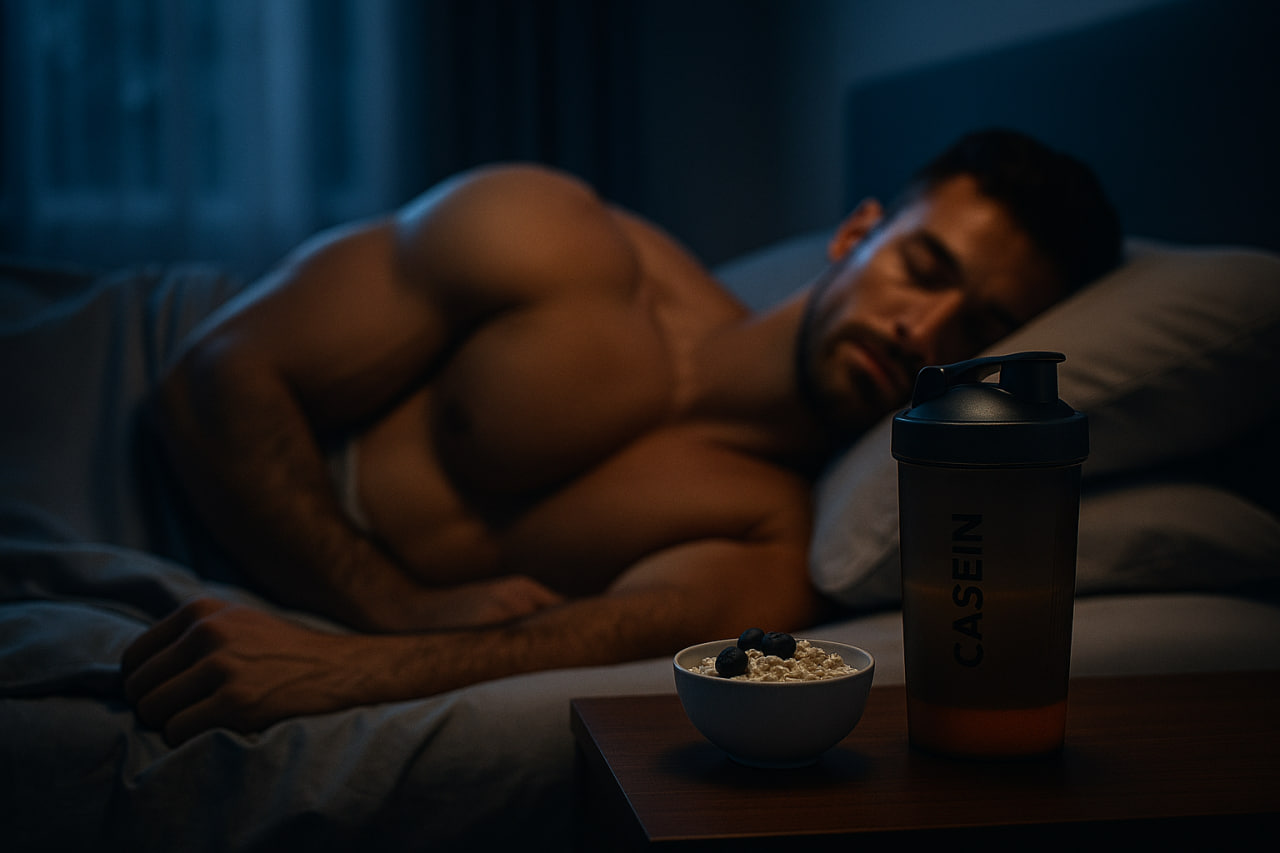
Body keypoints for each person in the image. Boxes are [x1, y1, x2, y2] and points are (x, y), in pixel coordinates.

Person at [121, 128, 1122, 745]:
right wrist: (389, 603)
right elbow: (213, 379)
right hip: (118, 394)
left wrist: (337, 663)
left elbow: (549, 644)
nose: (922, 333)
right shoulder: (559, 240)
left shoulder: (769, 541)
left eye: (982, 328)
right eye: (922, 266)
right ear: (856, 233)